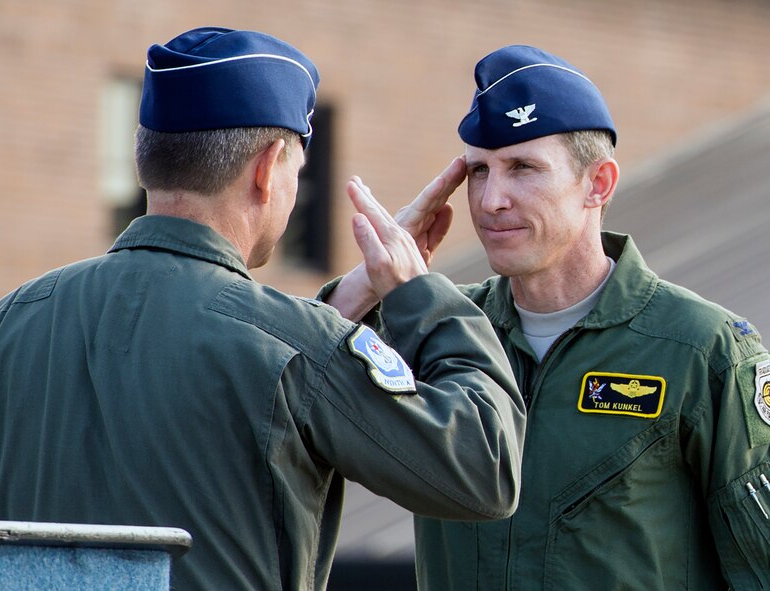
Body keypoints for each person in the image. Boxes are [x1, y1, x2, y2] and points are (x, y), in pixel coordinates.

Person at [0, 27, 528, 590]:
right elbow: (483, 469)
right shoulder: (293, 347)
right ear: (267, 170)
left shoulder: (8, 325)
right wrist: (417, 292)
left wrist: (345, 308)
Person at [325, 45, 770, 589]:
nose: (491, 201)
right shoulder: (431, 330)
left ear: (598, 184)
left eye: (523, 169)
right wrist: (369, 283)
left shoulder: (701, 349)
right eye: (480, 172)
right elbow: (283, 391)